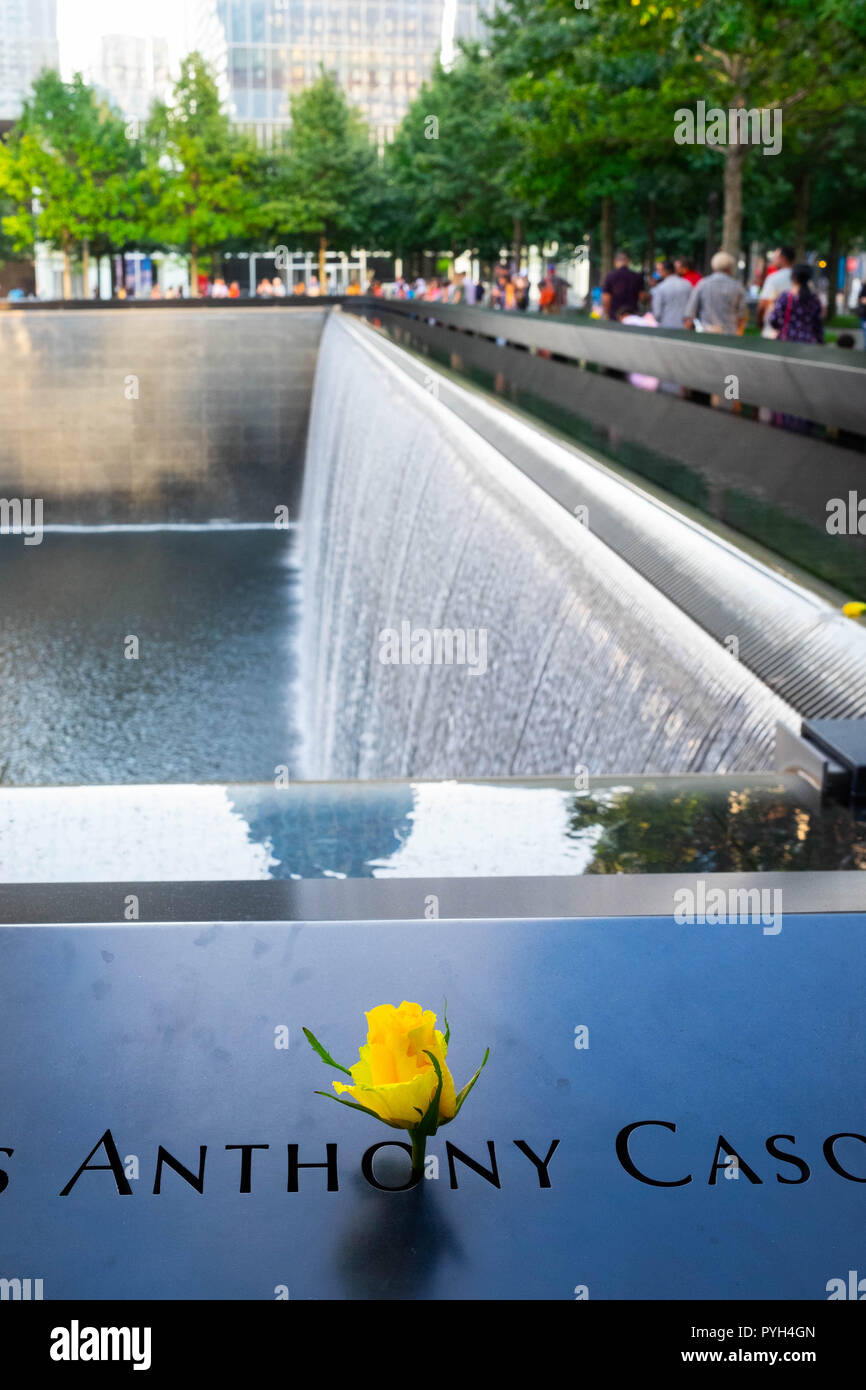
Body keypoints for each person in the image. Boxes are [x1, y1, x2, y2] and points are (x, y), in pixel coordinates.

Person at [684, 251, 748, 334]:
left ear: (713, 265)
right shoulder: (737, 286)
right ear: (730, 267)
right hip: (730, 332)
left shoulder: (703, 284)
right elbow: (742, 315)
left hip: (706, 332)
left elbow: (690, 312)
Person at [768, 263, 824, 344]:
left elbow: (774, 320)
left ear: (794, 277)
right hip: (809, 343)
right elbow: (818, 325)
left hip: (788, 341)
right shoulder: (815, 299)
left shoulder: (785, 297)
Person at [616, 305, 660, 390]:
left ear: (624, 315)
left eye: (619, 318)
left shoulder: (628, 320)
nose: (619, 321)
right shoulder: (644, 319)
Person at [757, 245, 794, 338]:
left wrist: (759, 323)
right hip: (793, 330)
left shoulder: (773, 278)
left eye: (775, 257)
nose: (773, 259)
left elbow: (763, 303)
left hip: (773, 329)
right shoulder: (799, 278)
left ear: (783, 258)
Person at [602, 251, 645, 320]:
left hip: (614, 315)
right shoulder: (637, 277)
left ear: (615, 262)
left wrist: (606, 313)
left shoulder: (610, 276)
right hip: (632, 315)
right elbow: (641, 297)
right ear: (628, 261)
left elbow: (606, 298)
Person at [650, 260, 692, 329]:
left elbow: (657, 313)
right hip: (685, 326)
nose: (658, 272)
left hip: (666, 326)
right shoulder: (687, 284)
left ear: (665, 271)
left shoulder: (660, 288)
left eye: (659, 270)